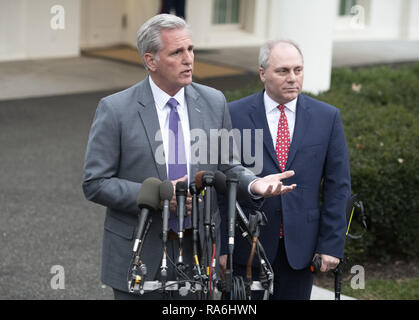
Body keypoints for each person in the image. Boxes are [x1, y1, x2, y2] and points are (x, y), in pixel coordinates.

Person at [82, 15, 296, 300]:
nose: (189, 59)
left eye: (191, 50)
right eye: (177, 52)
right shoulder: (115, 109)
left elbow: (227, 165)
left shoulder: (213, 101)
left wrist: (254, 184)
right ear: (151, 60)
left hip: (199, 251)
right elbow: (95, 182)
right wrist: (157, 195)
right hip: (139, 252)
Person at [219, 40, 351, 300]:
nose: (292, 78)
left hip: (301, 249)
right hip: (246, 248)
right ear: (262, 73)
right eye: (283, 71)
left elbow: (338, 187)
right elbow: (223, 184)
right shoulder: (234, 115)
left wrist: (332, 245)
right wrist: (223, 245)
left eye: (298, 70)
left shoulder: (327, 118)